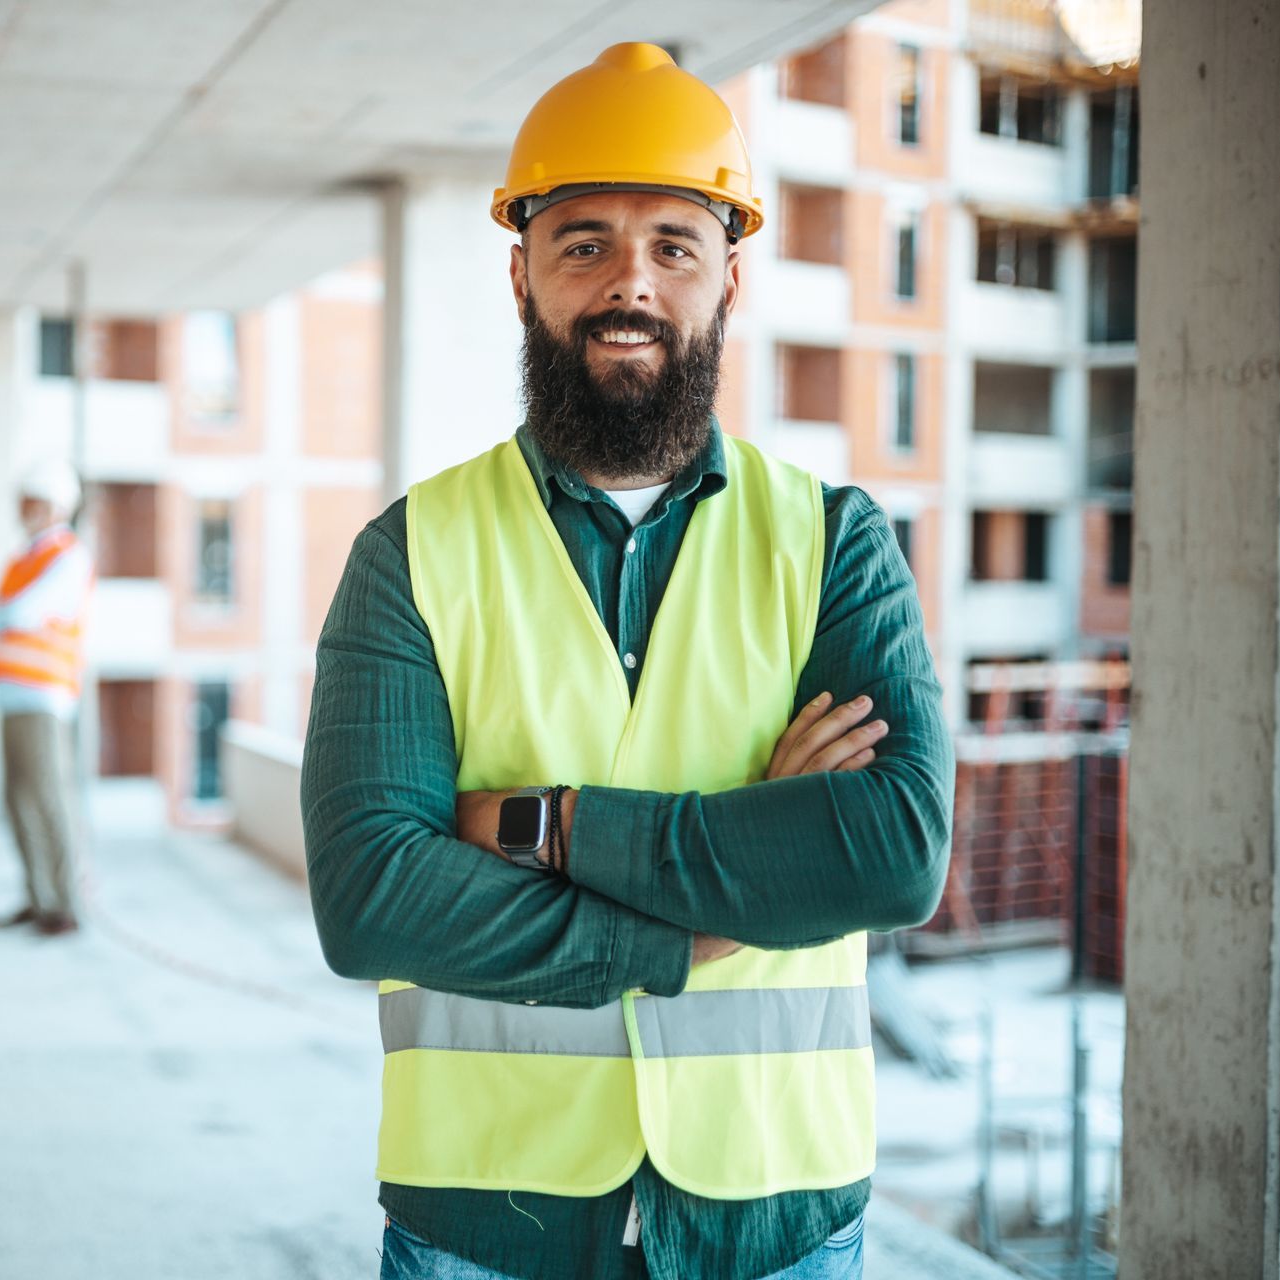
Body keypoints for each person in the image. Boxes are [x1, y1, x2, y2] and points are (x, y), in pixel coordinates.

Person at [300, 44, 953, 1280]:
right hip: (489, 1219)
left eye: (674, 244)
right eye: (584, 241)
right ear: (520, 273)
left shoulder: (832, 540)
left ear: (728, 277)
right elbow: (370, 893)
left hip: (776, 1216)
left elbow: (892, 849)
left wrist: (535, 825)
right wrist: (707, 904)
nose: (629, 283)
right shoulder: (413, 553)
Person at [0, 460, 93, 937]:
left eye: (33, 500)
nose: (23, 509)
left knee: (49, 798)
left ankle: (64, 904)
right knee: (17, 799)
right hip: (12, 696)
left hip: (45, 697)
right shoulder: (22, 558)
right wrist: (1, 615)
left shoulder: (67, 555)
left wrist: (2, 615)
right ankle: (37, 896)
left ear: (56, 506)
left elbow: (20, 612)